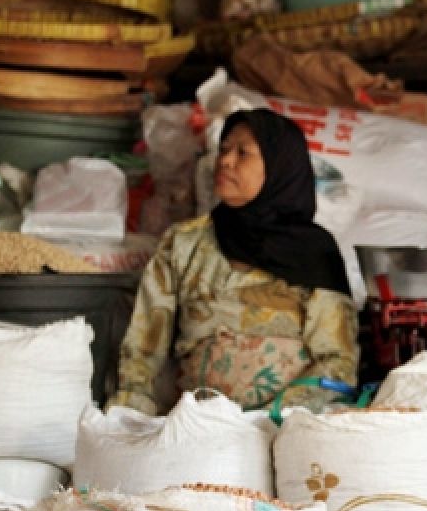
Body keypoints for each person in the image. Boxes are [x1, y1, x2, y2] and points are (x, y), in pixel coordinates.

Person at [109, 108, 359, 415]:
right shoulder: (185, 242)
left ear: (280, 167)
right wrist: (132, 410)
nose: (225, 161)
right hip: (199, 424)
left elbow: (337, 361)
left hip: (285, 424)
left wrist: (273, 418)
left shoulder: (314, 252)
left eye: (243, 153)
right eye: (224, 150)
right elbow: (145, 342)